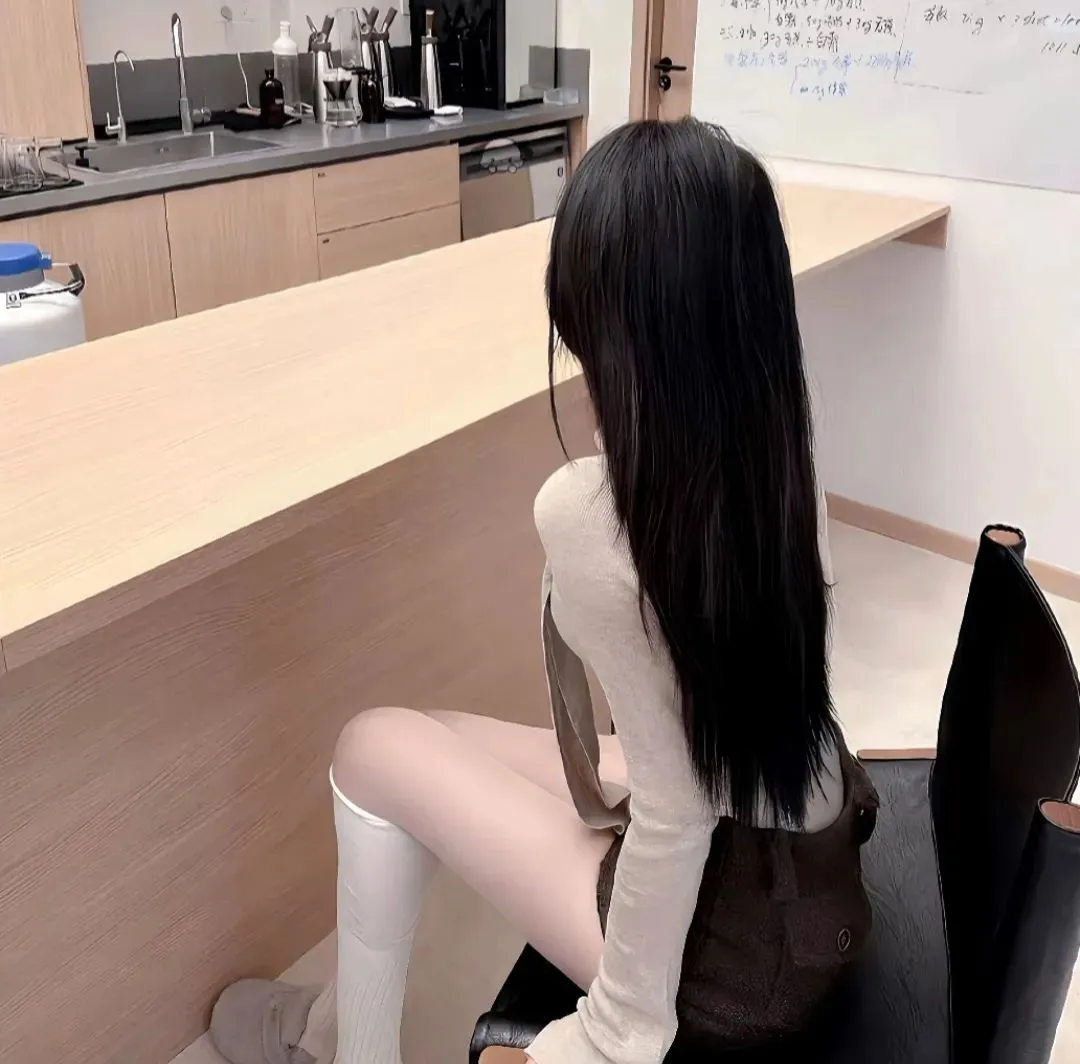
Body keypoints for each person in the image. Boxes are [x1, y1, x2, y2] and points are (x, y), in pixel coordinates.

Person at [208, 118, 878, 1064]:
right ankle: (329, 1026)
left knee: (368, 746)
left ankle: (343, 1051)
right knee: (430, 732)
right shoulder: (778, 461)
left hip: (737, 953)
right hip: (810, 859)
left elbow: (677, 813)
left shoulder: (598, 516)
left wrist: (612, 1031)